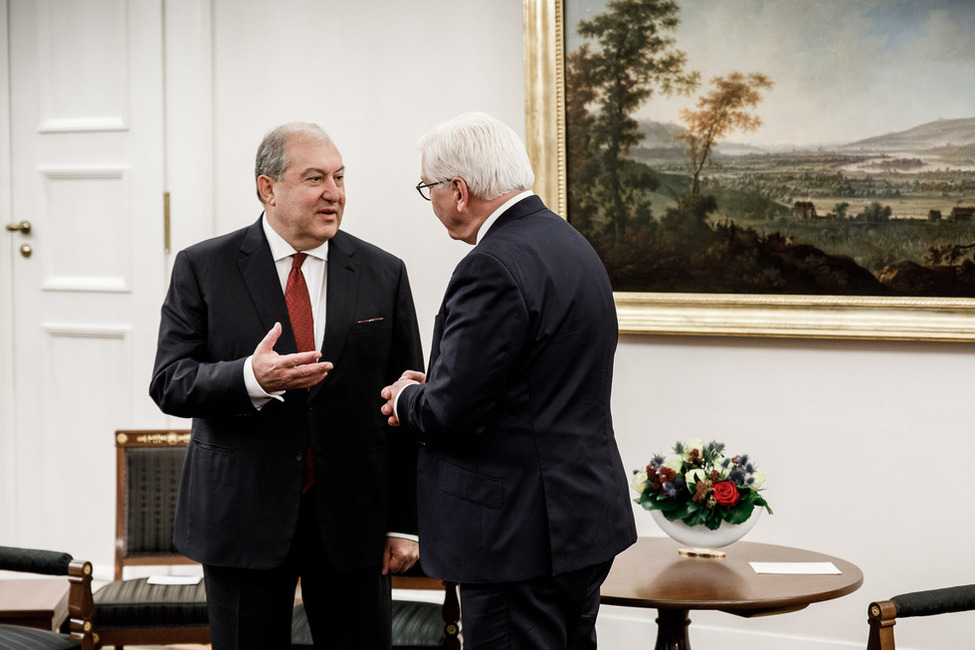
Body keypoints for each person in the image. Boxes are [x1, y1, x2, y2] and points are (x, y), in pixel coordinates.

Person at [150, 122, 424, 649]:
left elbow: (405, 403)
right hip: (242, 521)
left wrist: (405, 524)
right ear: (267, 188)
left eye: (340, 178)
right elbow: (169, 382)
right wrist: (251, 378)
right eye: (315, 178)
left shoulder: (383, 272)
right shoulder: (203, 267)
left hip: (353, 523)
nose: (334, 193)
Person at [380, 112, 637, 650]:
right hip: (580, 521)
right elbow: (534, 378)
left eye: (428, 188)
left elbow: (452, 414)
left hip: (515, 536)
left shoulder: (491, 264)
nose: (430, 202)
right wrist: (448, 382)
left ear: (458, 190)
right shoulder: (571, 244)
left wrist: (408, 398)